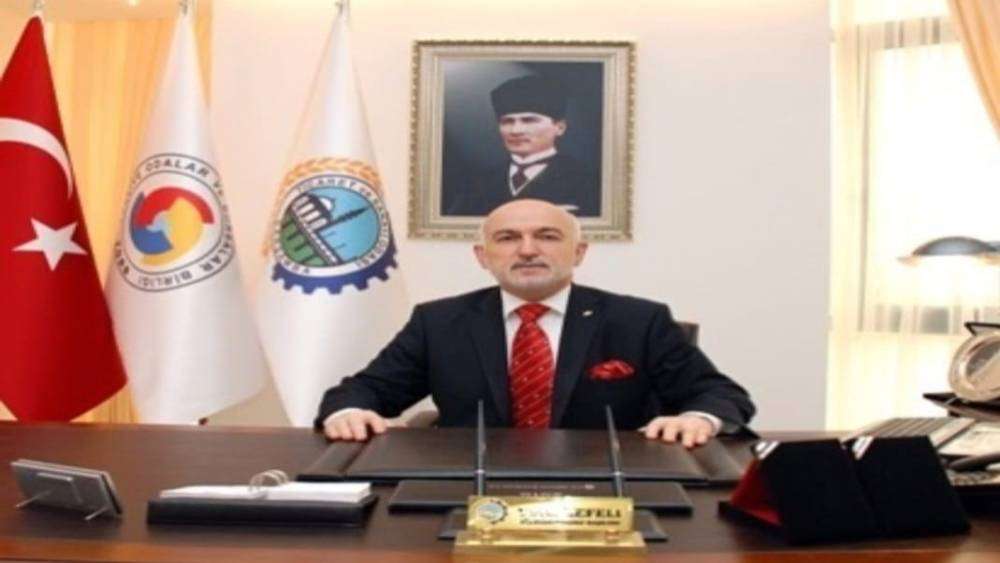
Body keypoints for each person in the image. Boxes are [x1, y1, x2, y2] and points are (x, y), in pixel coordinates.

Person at [316, 199, 754, 447]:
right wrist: (350, 413)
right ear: (483, 256)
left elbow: (720, 395)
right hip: (470, 486)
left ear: (578, 253)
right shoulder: (439, 322)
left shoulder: (639, 321)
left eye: (547, 236)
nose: (527, 250)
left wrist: (698, 418)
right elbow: (361, 391)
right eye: (508, 238)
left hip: (609, 490)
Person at [445, 74, 600, 217]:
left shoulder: (588, 182)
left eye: (529, 120)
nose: (516, 130)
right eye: (507, 121)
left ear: (559, 127)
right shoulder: (477, 183)